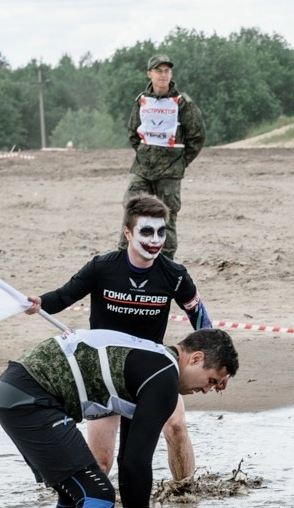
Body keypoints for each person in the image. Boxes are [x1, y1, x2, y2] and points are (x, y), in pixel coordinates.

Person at [0, 327, 239, 508]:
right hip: (30, 398)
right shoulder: (163, 376)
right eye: (212, 380)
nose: (208, 390)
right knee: (97, 495)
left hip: (14, 391)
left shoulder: (154, 361)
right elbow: (135, 464)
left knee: (74, 494)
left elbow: (130, 461)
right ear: (195, 358)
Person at [25, 194, 215, 482]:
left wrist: (211, 356)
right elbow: (63, 296)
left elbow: (200, 318)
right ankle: (84, 505)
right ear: (128, 232)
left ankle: (186, 494)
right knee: (101, 463)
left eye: (161, 231)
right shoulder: (102, 268)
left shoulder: (174, 275)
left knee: (175, 427)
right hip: (104, 374)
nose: (155, 240)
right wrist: (38, 301)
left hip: (151, 370)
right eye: (146, 231)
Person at [120, 52, 205, 256]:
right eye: (159, 71)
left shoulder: (181, 102)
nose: (163, 75)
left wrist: (181, 162)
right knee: (131, 210)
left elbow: (197, 135)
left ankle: (166, 264)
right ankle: (124, 257)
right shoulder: (142, 100)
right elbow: (133, 132)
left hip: (170, 172)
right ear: (149, 74)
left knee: (167, 216)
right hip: (142, 168)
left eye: (167, 71)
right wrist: (145, 153)